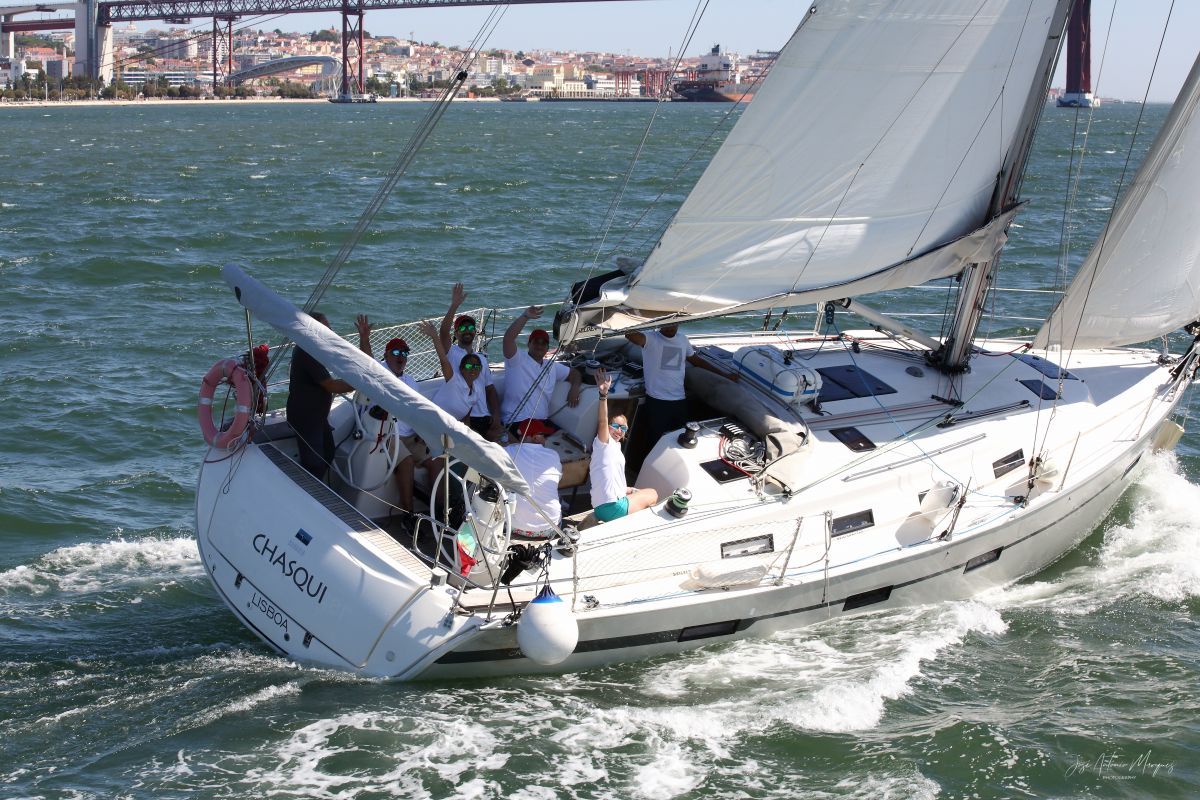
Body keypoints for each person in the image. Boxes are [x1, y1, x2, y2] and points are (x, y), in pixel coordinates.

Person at [624, 322, 734, 473]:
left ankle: (670, 471)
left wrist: (725, 376)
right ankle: (644, 472)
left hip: (679, 400)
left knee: (678, 440)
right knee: (654, 441)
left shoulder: (683, 340)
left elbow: (697, 361)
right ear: (661, 324)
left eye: (674, 324)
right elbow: (629, 334)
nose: (670, 327)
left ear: (679, 324)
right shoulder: (651, 338)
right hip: (657, 401)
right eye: (666, 324)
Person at [355, 314, 428, 514]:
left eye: (404, 353)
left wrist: (424, 433)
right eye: (395, 352)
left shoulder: (411, 382)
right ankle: (409, 515)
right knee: (406, 462)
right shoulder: (380, 372)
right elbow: (367, 361)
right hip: (389, 434)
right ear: (386, 355)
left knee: (439, 459)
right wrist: (364, 337)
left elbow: (419, 411)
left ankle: (443, 513)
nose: (400, 356)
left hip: (410, 435)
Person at [287, 311, 354, 480]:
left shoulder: (314, 348)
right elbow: (330, 385)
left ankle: (314, 486)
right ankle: (306, 492)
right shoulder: (307, 352)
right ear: (312, 330)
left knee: (329, 453)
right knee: (314, 463)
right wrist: (357, 384)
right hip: (306, 418)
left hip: (317, 417)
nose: (330, 331)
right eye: (325, 328)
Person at [590, 368, 659, 522]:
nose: (619, 431)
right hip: (613, 507)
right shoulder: (604, 443)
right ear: (607, 426)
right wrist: (603, 395)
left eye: (623, 428)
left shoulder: (615, 448)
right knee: (653, 494)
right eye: (615, 426)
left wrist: (631, 490)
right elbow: (602, 420)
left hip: (602, 508)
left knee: (638, 492)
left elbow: (614, 482)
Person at [439, 282, 503, 440]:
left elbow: (490, 390)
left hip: (484, 417)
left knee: (507, 443)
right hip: (462, 417)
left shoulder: (482, 359)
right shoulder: (451, 352)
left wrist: (496, 414)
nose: (467, 331)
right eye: (462, 329)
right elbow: (443, 332)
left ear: (475, 332)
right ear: (457, 333)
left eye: (470, 328)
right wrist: (454, 305)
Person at [501, 305, 582, 428]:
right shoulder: (516, 359)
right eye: (536, 342)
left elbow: (574, 373)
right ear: (529, 344)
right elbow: (508, 339)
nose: (540, 346)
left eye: (543, 343)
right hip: (516, 421)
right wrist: (525, 316)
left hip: (541, 422)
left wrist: (575, 388)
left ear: (547, 348)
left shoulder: (552, 366)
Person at [505, 422, 564, 537]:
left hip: (515, 526)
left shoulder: (508, 451)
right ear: (535, 437)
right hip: (550, 527)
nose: (546, 440)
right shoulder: (553, 455)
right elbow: (559, 479)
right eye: (544, 436)